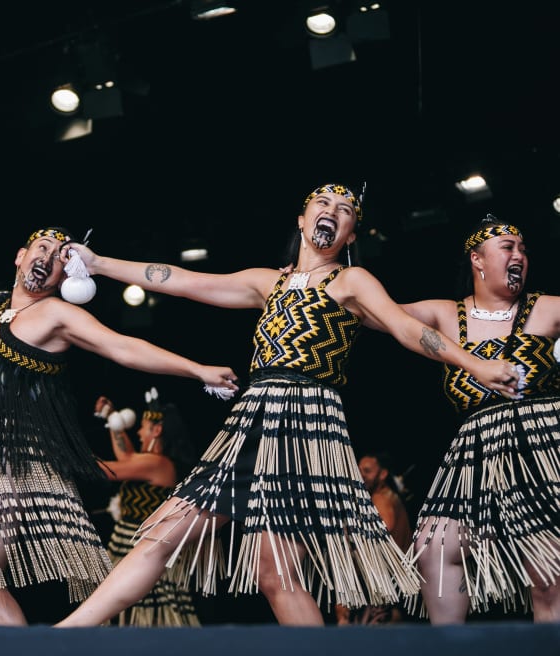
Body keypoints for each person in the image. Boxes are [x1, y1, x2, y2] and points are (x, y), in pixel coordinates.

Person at [54, 183, 522, 627]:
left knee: (275, 574)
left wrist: (474, 364)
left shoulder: (352, 280)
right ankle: (63, 635)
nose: (332, 212)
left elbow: (405, 328)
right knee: (161, 533)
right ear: (301, 220)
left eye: (345, 211)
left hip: (306, 431)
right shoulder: (266, 283)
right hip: (248, 426)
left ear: (351, 235)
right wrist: (100, 263)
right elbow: (182, 280)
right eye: (322, 203)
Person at [0, 226, 240, 626]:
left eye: (61, 256)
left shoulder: (57, 314)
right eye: (42, 248)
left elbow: (122, 347)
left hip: (15, 462)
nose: (48, 257)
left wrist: (196, 369)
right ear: (20, 256)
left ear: (66, 276)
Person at [401, 214, 560, 624]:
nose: (519, 255)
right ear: (478, 259)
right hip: (475, 452)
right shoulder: (444, 314)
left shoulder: (546, 308)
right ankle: (449, 648)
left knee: (546, 571)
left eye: (523, 249)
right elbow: (370, 311)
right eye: (508, 247)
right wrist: (318, 277)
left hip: (539, 447)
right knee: (435, 546)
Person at [95, 388, 201, 627]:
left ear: (157, 430)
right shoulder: (150, 462)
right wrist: (114, 421)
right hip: (126, 546)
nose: (140, 433)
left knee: (147, 616)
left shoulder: (158, 464)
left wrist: (66, 453)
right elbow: (128, 458)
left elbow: (113, 469)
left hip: (143, 552)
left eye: (143, 427)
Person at [335, 451, 413, 625]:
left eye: (367, 470)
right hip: (388, 591)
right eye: (359, 470)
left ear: (383, 474)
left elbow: (380, 531)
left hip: (378, 594)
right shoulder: (391, 497)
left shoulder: (380, 498)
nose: (360, 475)